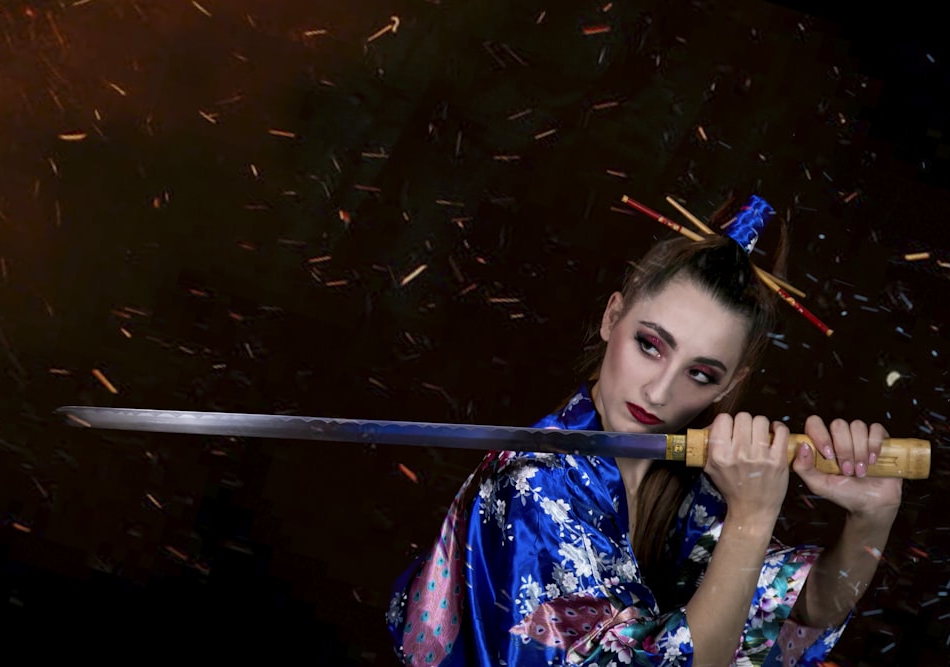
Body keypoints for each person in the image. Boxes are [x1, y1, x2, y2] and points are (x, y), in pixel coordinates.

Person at [386, 195, 902, 666]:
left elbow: (797, 605)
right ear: (614, 317)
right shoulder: (530, 484)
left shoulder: (693, 488)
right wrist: (754, 515)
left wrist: (871, 517)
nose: (659, 392)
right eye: (650, 345)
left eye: (700, 374)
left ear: (728, 386)